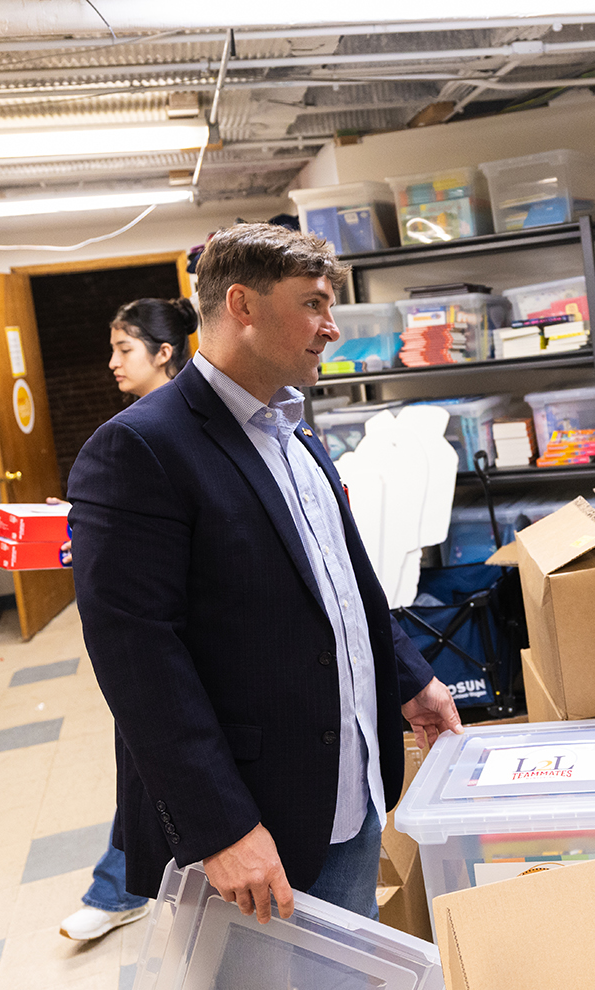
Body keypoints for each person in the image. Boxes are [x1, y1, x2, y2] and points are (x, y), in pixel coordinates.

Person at [67, 223, 462, 923]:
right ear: (243, 307)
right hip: (251, 824)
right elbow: (138, 660)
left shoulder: (292, 427)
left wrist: (410, 676)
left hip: (348, 783)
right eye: (313, 304)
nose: (331, 328)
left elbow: (339, 579)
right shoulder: (140, 448)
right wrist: (219, 828)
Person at [55, 296, 194, 942]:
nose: (111, 363)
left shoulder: (176, 426)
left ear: (164, 353)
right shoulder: (133, 431)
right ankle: (124, 884)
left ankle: (122, 888)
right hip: (151, 635)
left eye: (124, 349)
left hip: (185, 637)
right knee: (145, 762)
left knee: (151, 762)